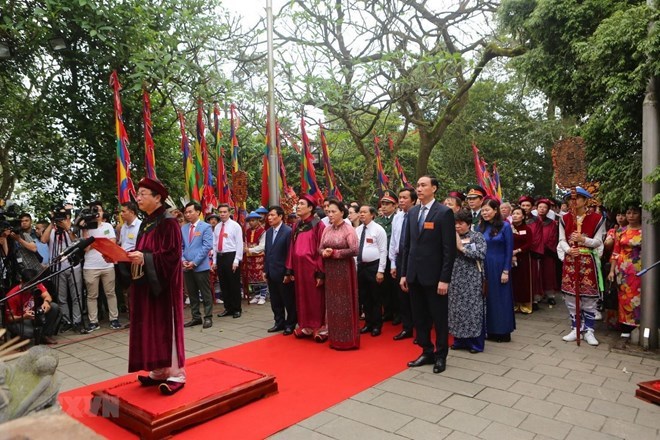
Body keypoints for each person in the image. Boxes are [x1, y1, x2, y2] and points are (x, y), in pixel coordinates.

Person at [129, 177, 186, 395]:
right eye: (139, 193)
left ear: (158, 197)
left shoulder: (168, 222)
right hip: (147, 284)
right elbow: (142, 251)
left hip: (164, 286)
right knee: (151, 326)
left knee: (166, 326)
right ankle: (159, 369)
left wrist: (144, 258)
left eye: (143, 193)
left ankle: (176, 373)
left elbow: (172, 256)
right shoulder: (147, 222)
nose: (138, 198)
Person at [401, 176, 456, 374]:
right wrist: (404, 274)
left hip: (435, 277)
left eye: (423, 185)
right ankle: (426, 350)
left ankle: (441, 355)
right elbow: (408, 246)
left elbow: (449, 250)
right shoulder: (413, 211)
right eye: (418, 186)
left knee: (439, 317)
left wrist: (444, 279)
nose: (420, 188)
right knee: (419, 317)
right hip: (414, 275)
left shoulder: (444, 213)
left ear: (434, 188)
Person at [558, 187, 606, 346]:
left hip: (587, 260)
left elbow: (599, 241)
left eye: (578, 198)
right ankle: (575, 328)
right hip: (571, 259)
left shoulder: (597, 218)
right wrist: (568, 249)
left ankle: (589, 330)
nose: (574, 201)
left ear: (586, 200)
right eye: (571, 198)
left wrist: (583, 240)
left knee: (588, 296)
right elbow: (561, 239)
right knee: (571, 295)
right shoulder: (564, 218)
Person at [40, 206, 87, 334]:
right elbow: (43, 240)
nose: (60, 220)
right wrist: (51, 222)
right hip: (57, 268)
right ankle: (66, 321)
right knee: (62, 298)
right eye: (58, 217)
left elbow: (78, 242)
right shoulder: (52, 230)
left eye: (63, 216)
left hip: (73, 266)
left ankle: (77, 322)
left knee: (76, 296)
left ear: (68, 217)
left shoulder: (73, 229)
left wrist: (67, 228)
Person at [285, 194, 326, 340]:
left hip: (312, 267)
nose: (298, 206)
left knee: (315, 298)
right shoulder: (296, 225)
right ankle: (305, 325)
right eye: (298, 203)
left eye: (301, 204)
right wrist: (289, 269)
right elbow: (292, 247)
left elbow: (322, 248)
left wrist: (321, 272)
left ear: (310, 208)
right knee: (301, 297)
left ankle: (319, 327)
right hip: (299, 267)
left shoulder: (318, 224)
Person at [320, 200, 359, 349]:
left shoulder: (348, 229)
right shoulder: (326, 229)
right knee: (333, 304)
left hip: (344, 270)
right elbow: (320, 248)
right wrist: (324, 252)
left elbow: (355, 250)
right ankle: (335, 338)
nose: (330, 214)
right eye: (328, 212)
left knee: (345, 304)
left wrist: (335, 253)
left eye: (333, 211)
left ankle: (348, 340)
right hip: (330, 270)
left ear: (342, 212)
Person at [448, 209, 487, 353]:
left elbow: (481, 254)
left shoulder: (477, 236)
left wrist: (461, 248)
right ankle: (459, 340)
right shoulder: (450, 236)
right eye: (455, 224)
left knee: (473, 311)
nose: (457, 226)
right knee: (456, 311)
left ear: (469, 224)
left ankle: (475, 343)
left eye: (460, 223)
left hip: (472, 279)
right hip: (454, 278)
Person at [81, 201, 122, 331]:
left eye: (98, 210)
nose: (97, 213)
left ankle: (114, 319)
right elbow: (86, 248)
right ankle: (93, 321)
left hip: (107, 265)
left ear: (103, 212)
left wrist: (95, 243)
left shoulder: (108, 226)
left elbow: (112, 245)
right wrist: (86, 232)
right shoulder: (86, 228)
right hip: (90, 266)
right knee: (92, 295)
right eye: (94, 210)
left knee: (110, 293)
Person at [480, 198, 515, 342]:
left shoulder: (505, 227)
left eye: (487, 210)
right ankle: (490, 330)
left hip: (499, 266)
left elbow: (509, 250)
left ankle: (503, 331)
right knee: (487, 299)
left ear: (495, 210)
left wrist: (506, 270)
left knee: (501, 299)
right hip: (484, 266)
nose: (485, 213)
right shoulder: (480, 227)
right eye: (482, 211)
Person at [608, 205, 642, 338]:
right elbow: (615, 252)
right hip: (622, 269)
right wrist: (611, 270)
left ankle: (639, 323)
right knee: (624, 297)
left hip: (639, 268)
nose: (631, 216)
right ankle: (625, 326)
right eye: (628, 213)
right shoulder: (621, 231)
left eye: (634, 213)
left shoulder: (646, 231)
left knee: (638, 297)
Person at [389, 187, 418, 341]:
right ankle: (407, 327)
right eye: (400, 197)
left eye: (404, 198)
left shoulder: (418, 215)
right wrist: (393, 263)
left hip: (414, 259)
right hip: (400, 258)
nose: (401, 200)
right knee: (402, 295)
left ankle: (419, 329)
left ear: (413, 200)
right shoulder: (397, 217)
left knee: (415, 295)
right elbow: (394, 241)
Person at [355, 205, 388, 337]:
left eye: (364, 212)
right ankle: (368, 323)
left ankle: (376, 325)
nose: (361, 214)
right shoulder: (357, 230)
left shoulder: (378, 230)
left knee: (375, 297)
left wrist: (381, 271)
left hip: (374, 267)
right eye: (360, 212)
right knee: (364, 297)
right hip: (361, 267)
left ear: (372, 214)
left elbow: (383, 251)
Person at [181, 202, 214, 329]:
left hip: (200, 266)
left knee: (205, 292)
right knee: (192, 293)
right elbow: (181, 247)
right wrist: (183, 260)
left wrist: (194, 262)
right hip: (186, 266)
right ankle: (196, 317)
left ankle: (208, 317)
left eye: (190, 211)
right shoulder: (183, 228)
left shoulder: (205, 227)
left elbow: (207, 246)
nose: (187, 214)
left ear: (198, 212)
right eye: (186, 212)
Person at [4, 269, 60, 345]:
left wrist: (46, 303)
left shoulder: (36, 284)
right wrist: (24, 316)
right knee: (30, 333)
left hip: (32, 315)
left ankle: (45, 335)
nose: (31, 288)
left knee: (54, 307)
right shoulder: (12, 295)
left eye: (32, 285)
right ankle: (16, 336)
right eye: (28, 286)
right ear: (21, 281)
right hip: (18, 319)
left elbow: (48, 296)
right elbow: (9, 319)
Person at [264, 206, 296, 335]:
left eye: (272, 215)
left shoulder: (288, 232)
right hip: (271, 272)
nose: (269, 218)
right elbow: (267, 253)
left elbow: (290, 254)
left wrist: (289, 272)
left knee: (288, 300)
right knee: (275, 300)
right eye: (269, 215)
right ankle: (279, 322)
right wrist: (265, 270)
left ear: (280, 216)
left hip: (283, 272)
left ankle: (291, 323)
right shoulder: (268, 232)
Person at [213, 204, 244, 319]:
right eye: (220, 212)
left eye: (225, 212)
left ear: (229, 212)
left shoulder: (235, 226)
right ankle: (228, 308)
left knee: (233, 284)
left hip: (231, 256)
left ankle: (237, 308)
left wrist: (236, 260)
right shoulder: (217, 227)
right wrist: (215, 261)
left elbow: (239, 244)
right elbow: (215, 244)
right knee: (223, 284)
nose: (222, 214)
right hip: (220, 256)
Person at [375, 190, 399, 324]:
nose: (384, 206)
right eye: (382, 203)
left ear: (395, 206)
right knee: (383, 287)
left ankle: (397, 312)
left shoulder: (398, 219)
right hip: (380, 259)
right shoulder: (377, 221)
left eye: (387, 204)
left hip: (393, 259)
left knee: (394, 287)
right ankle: (388, 311)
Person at [519, 195, 544, 311]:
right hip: (517, 253)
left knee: (532, 276)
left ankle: (532, 299)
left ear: (532, 207)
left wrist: (529, 248)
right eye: (523, 205)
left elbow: (538, 237)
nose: (525, 207)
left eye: (528, 205)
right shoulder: (516, 219)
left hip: (530, 253)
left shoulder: (536, 220)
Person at [116, 201, 141, 312]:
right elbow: (122, 244)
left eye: (123, 211)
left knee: (137, 291)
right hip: (123, 262)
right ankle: (132, 316)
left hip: (135, 262)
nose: (121, 214)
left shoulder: (141, 225)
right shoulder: (123, 227)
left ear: (132, 212)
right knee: (128, 291)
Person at [510, 206, 533, 314]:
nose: (515, 215)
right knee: (512, 280)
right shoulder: (508, 227)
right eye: (513, 213)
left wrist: (518, 250)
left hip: (523, 257)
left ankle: (525, 305)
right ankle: (513, 304)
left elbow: (529, 243)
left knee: (523, 281)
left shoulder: (527, 229)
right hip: (509, 257)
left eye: (518, 214)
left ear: (523, 216)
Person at [537, 199, 559, 306]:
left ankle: (550, 295)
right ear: (536, 209)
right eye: (540, 207)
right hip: (535, 252)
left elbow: (553, 237)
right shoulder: (532, 222)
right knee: (537, 274)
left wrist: (545, 247)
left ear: (548, 210)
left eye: (544, 207)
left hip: (547, 252)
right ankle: (537, 295)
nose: (542, 209)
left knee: (548, 274)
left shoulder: (552, 223)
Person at [245, 211, 268, 305]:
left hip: (259, 257)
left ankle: (263, 296)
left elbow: (263, 246)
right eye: (249, 221)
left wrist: (250, 249)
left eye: (253, 220)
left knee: (260, 276)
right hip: (250, 257)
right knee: (252, 277)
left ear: (258, 220)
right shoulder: (247, 231)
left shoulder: (262, 231)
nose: (251, 222)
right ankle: (257, 295)